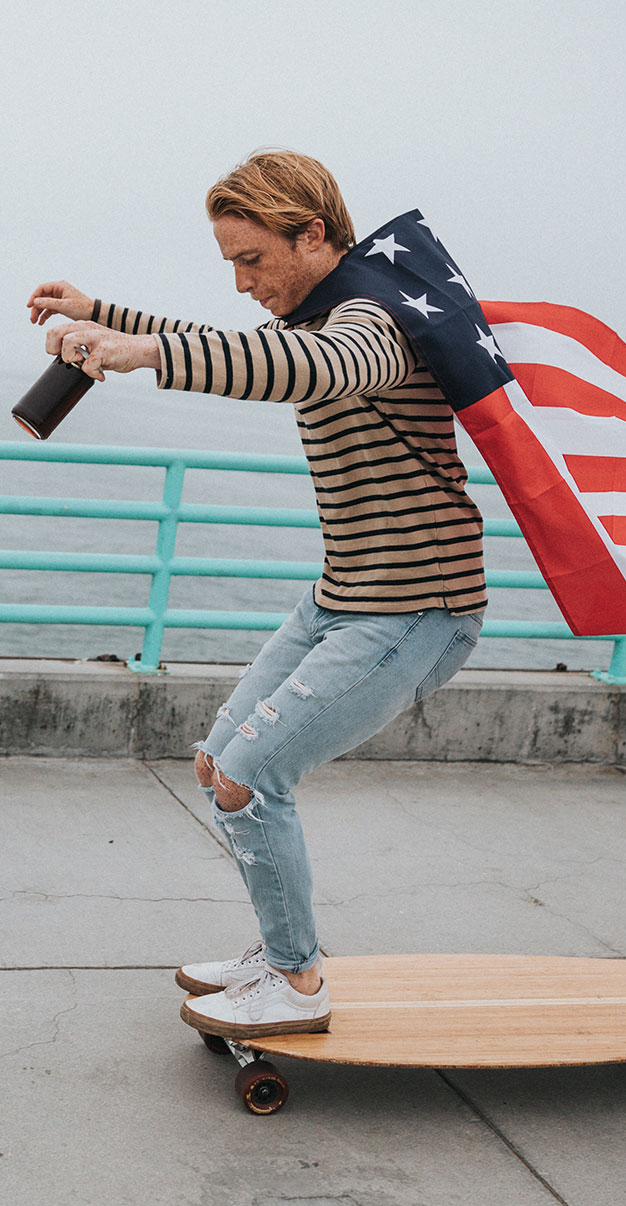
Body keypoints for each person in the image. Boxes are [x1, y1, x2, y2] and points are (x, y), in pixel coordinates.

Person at [26, 149, 486, 1039]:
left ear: (312, 234)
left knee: (250, 776)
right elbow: (250, 347)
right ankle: (281, 951)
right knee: (218, 763)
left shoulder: (374, 322)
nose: (241, 283)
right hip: (343, 596)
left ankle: (297, 983)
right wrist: (102, 314)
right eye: (229, 263)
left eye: (252, 259)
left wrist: (143, 351)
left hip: (416, 609)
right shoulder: (321, 311)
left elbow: (303, 369)